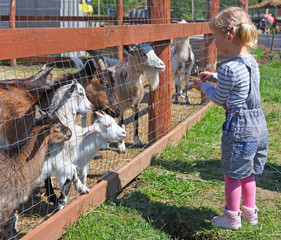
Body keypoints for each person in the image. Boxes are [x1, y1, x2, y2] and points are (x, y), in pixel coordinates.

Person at [192, 7, 268, 230]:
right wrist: (214, 76)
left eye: (215, 36)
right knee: (248, 172)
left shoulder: (228, 68)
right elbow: (242, 83)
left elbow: (219, 97)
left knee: (232, 174)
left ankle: (232, 217)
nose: (214, 41)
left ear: (228, 36)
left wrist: (205, 86)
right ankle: (250, 214)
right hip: (259, 125)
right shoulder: (251, 61)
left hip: (240, 129)